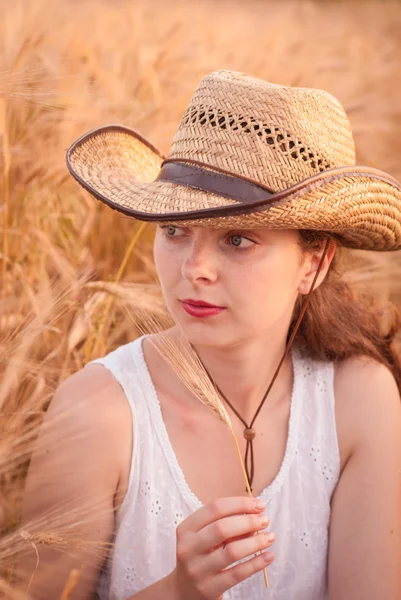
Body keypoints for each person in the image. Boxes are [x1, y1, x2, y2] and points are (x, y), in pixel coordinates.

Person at [19, 70, 401, 600]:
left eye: (238, 239)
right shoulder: (98, 413)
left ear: (313, 262)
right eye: (174, 231)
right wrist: (176, 592)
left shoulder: (359, 400)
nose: (194, 268)